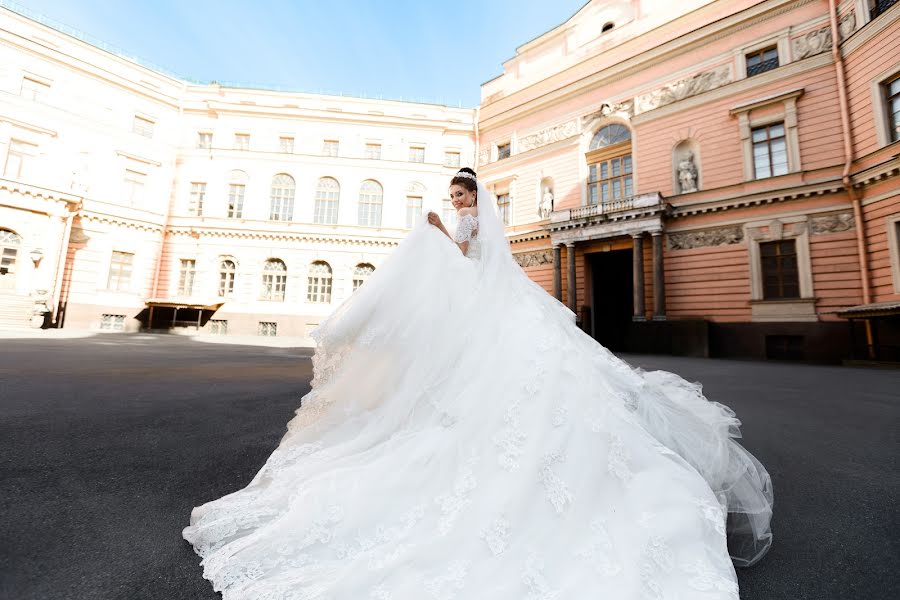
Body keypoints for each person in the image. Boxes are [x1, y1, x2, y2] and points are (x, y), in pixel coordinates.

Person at [182, 167, 773, 599]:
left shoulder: (463, 223)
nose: (458, 199)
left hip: (495, 315)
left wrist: (437, 228)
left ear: (475, 198)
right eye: (454, 194)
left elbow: (459, 256)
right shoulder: (481, 228)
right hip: (506, 313)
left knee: (495, 389)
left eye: (463, 193)